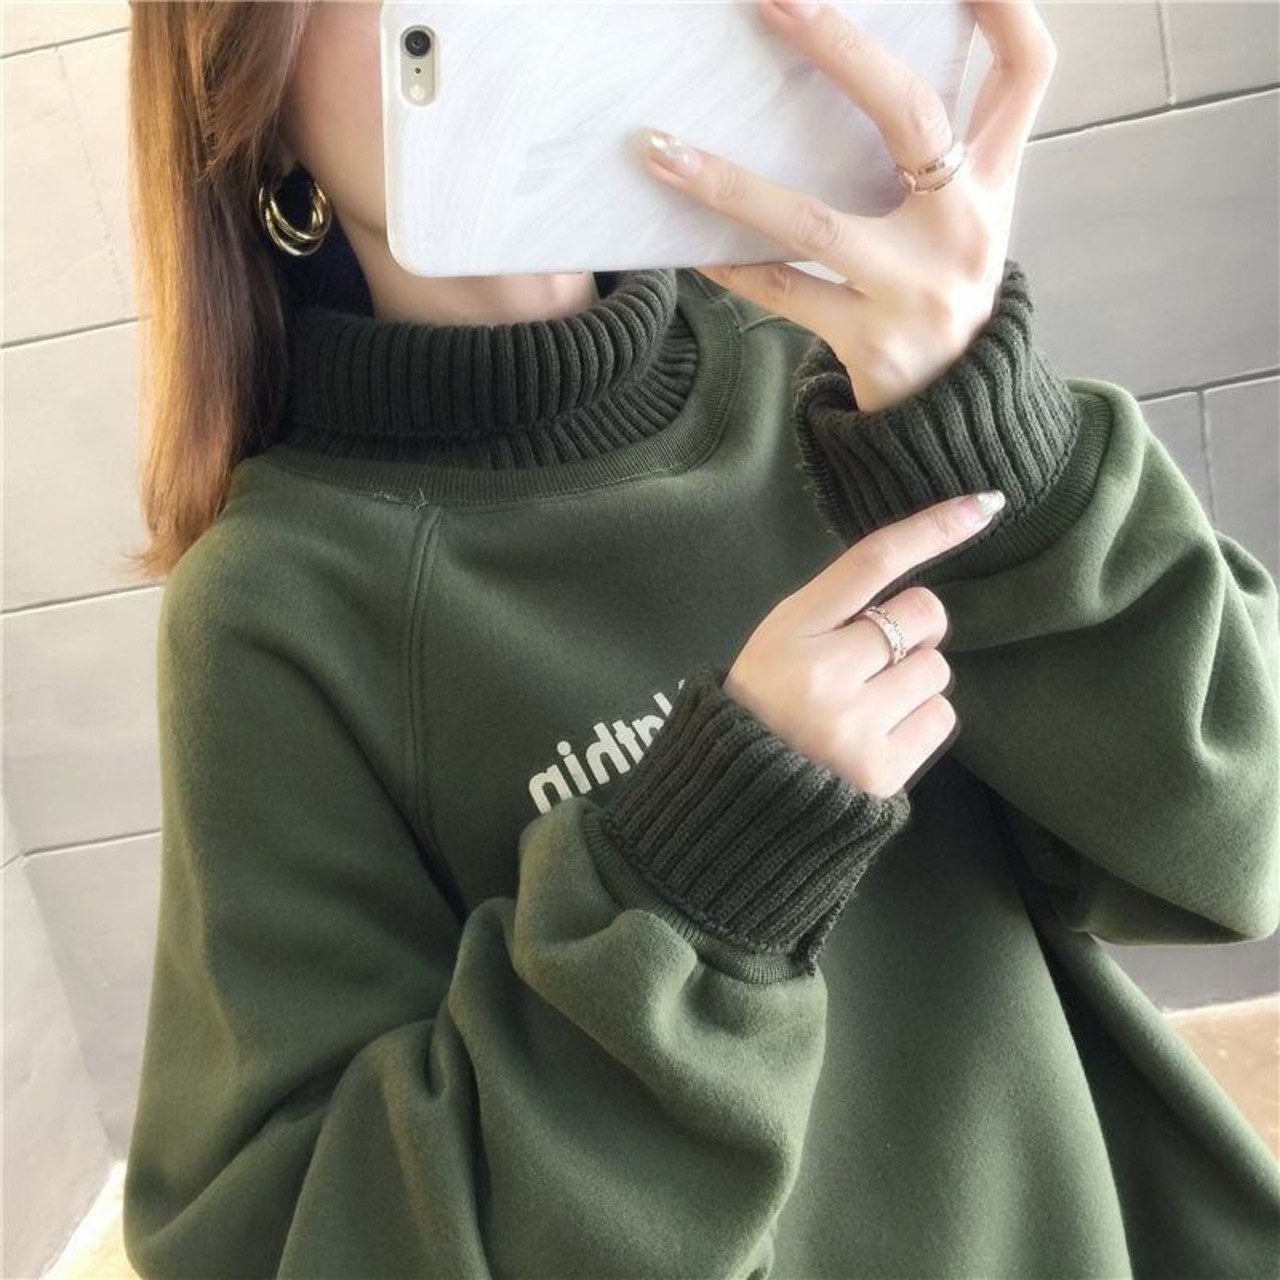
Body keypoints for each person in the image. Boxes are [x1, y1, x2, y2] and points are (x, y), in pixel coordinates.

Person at [119, 1, 1280, 1276]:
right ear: (247, 86)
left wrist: (984, 422)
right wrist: (702, 872)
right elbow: (289, 1243)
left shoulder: (838, 363)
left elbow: (1234, 835)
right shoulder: (275, 607)